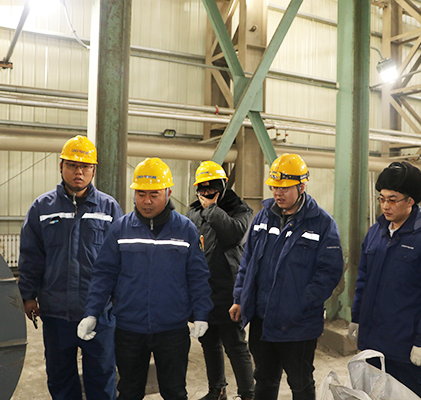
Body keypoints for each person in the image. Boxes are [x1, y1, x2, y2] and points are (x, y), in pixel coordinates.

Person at [77, 157, 214, 400]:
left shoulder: (185, 230)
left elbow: (197, 276)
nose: (147, 201)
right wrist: (92, 313)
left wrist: (202, 314)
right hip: (130, 329)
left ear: (168, 193)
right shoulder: (121, 230)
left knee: (174, 392)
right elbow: (104, 275)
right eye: (141, 194)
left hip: (172, 329)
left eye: (154, 194)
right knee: (129, 391)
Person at [230, 153, 344, 400]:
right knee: (264, 380)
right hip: (262, 318)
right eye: (274, 187)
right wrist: (239, 298)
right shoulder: (263, 217)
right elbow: (247, 261)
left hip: (298, 325)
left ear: (301, 187)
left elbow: (330, 272)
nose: (277, 193)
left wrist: (302, 302)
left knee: (300, 383)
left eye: (284, 188)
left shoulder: (322, 224)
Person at [17, 135, 123, 400]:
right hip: (56, 312)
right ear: (61, 166)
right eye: (73, 165)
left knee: (102, 376)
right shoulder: (42, 208)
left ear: (94, 170)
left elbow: (120, 260)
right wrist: (28, 295)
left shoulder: (109, 208)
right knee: (60, 376)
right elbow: (31, 255)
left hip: (98, 311)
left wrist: (119, 300)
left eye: (85, 166)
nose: (79, 172)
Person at [349, 161, 421, 400]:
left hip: (404, 345)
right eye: (382, 199)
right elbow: (363, 280)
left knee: (404, 394)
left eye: (393, 200)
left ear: (410, 201)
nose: (386, 205)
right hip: (372, 340)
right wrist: (357, 318)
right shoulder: (376, 232)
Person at [187, 161, 255, 400]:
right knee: (208, 343)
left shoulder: (241, 210)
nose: (207, 193)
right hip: (203, 291)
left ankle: (248, 394)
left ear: (223, 186)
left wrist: (212, 209)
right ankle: (217, 391)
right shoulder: (193, 212)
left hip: (229, 291)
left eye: (212, 188)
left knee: (235, 345)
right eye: (203, 189)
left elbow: (234, 234)